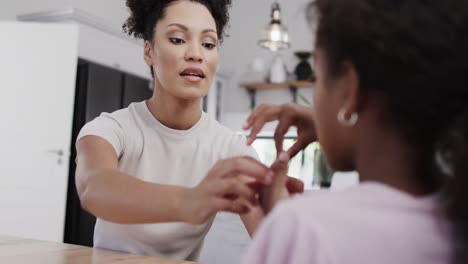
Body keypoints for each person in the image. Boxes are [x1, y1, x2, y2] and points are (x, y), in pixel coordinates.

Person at [74, 0, 303, 260]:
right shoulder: (110, 129)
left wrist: (282, 215)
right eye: (177, 39)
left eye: (208, 44)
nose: (196, 54)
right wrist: (189, 201)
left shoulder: (230, 149)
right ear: (149, 52)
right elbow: (94, 188)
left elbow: (278, 249)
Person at [243, 0, 468, 263]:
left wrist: (278, 221)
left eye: (317, 77)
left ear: (350, 90)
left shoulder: (302, 228)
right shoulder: (457, 220)